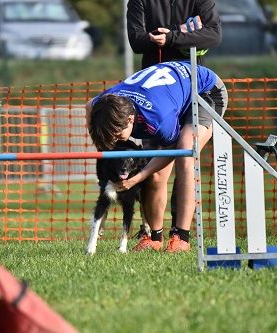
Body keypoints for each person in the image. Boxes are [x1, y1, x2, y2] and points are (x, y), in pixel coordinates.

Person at [86, 61, 228, 252]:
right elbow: (89, 105)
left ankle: (181, 237)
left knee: (186, 152)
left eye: (117, 133)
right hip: (166, 97)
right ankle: (154, 237)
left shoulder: (158, 119)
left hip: (204, 91)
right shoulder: (103, 104)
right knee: (155, 175)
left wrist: (138, 177)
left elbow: (172, 149)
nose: (114, 139)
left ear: (130, 120)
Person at [126, 0, 222, 69]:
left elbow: (214, 34)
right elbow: (136, 41)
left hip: (191, 75)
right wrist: (178, 30)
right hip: (154, 76)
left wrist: (171, 37)